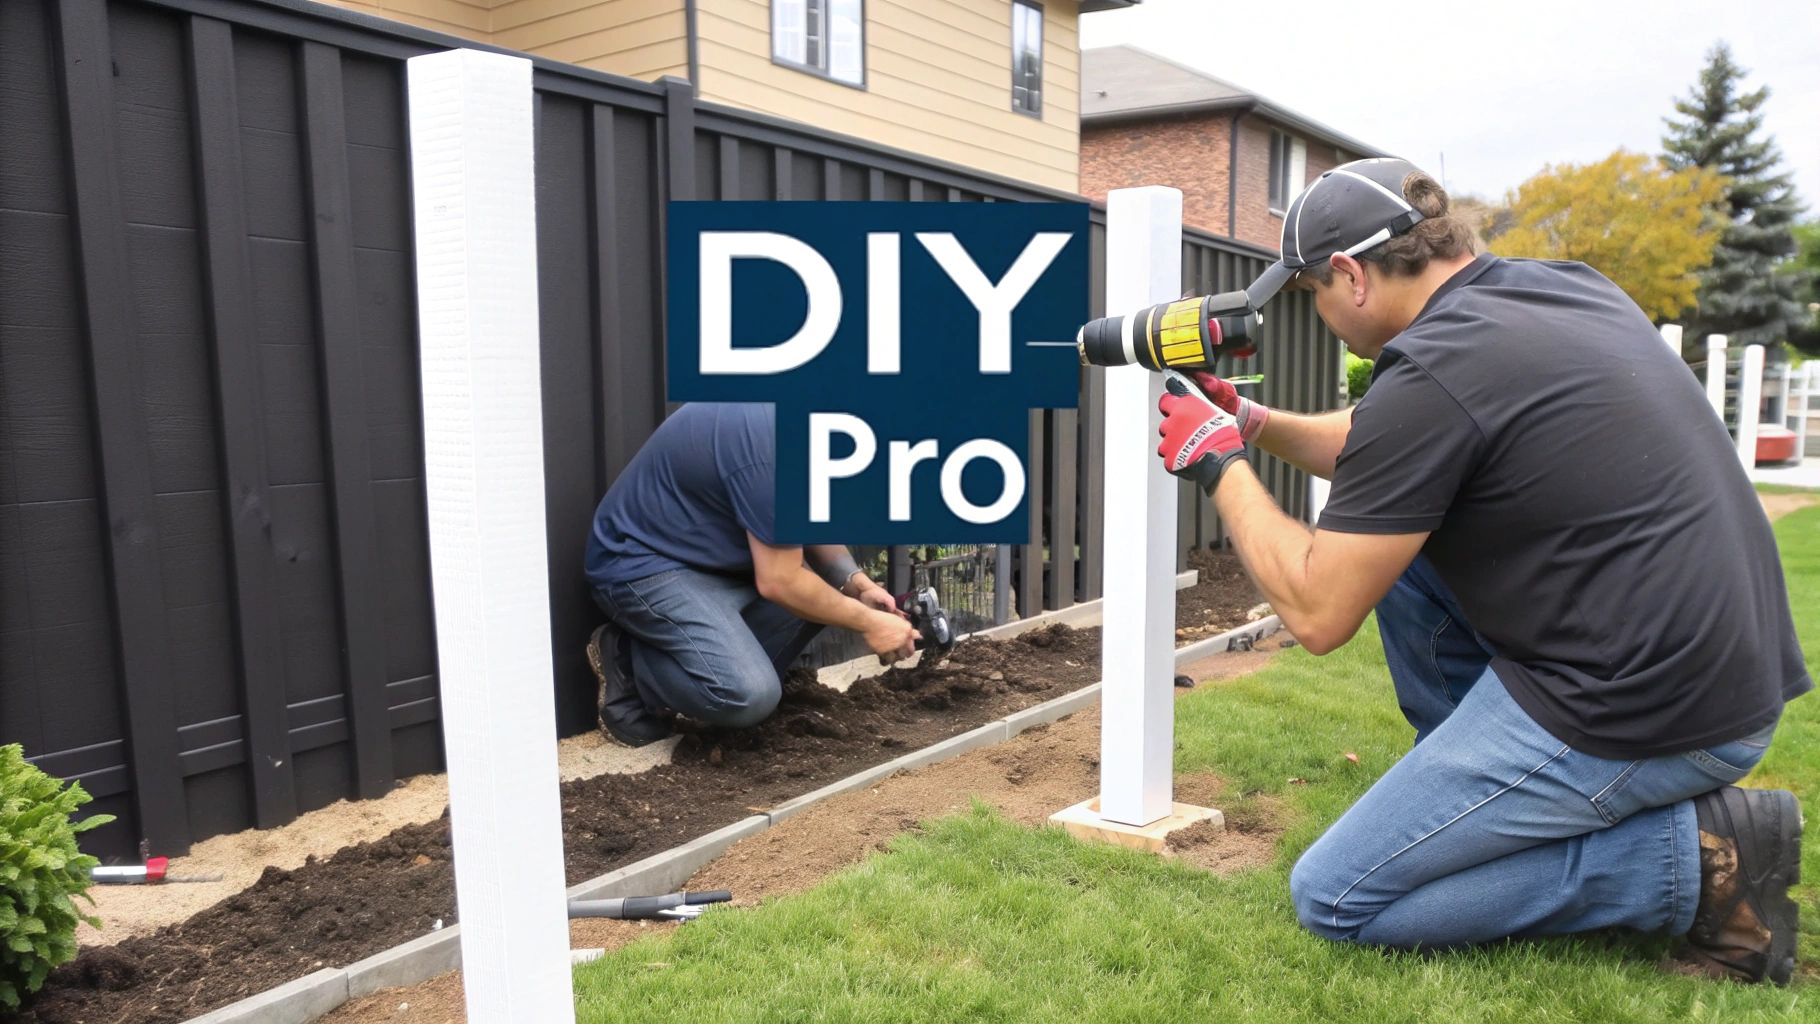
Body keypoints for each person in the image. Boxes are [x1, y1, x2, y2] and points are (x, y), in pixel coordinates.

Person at [1155, 157, 1809, 984]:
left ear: (1351, 276)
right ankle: (1482, 807)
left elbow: (1319, 613)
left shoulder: (1431, 371)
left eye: (1312, 293)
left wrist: (1218, 465)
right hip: (1718, 674)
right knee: (1405, 553)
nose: (1317, 313)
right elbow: (1383, 453)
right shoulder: (1561, 288)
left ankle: (1698, 858)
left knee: (1339, 895)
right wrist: (1249, 421)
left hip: (1645, 708)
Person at [584, 402, 917, 747]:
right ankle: (632, 662)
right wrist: (870, 623)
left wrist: (856, 584)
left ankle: (710, 667)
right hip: (646, 566)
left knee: (831, 597)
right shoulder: (771, 441)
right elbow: (781, 581)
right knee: (747, 696)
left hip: (721, 565)